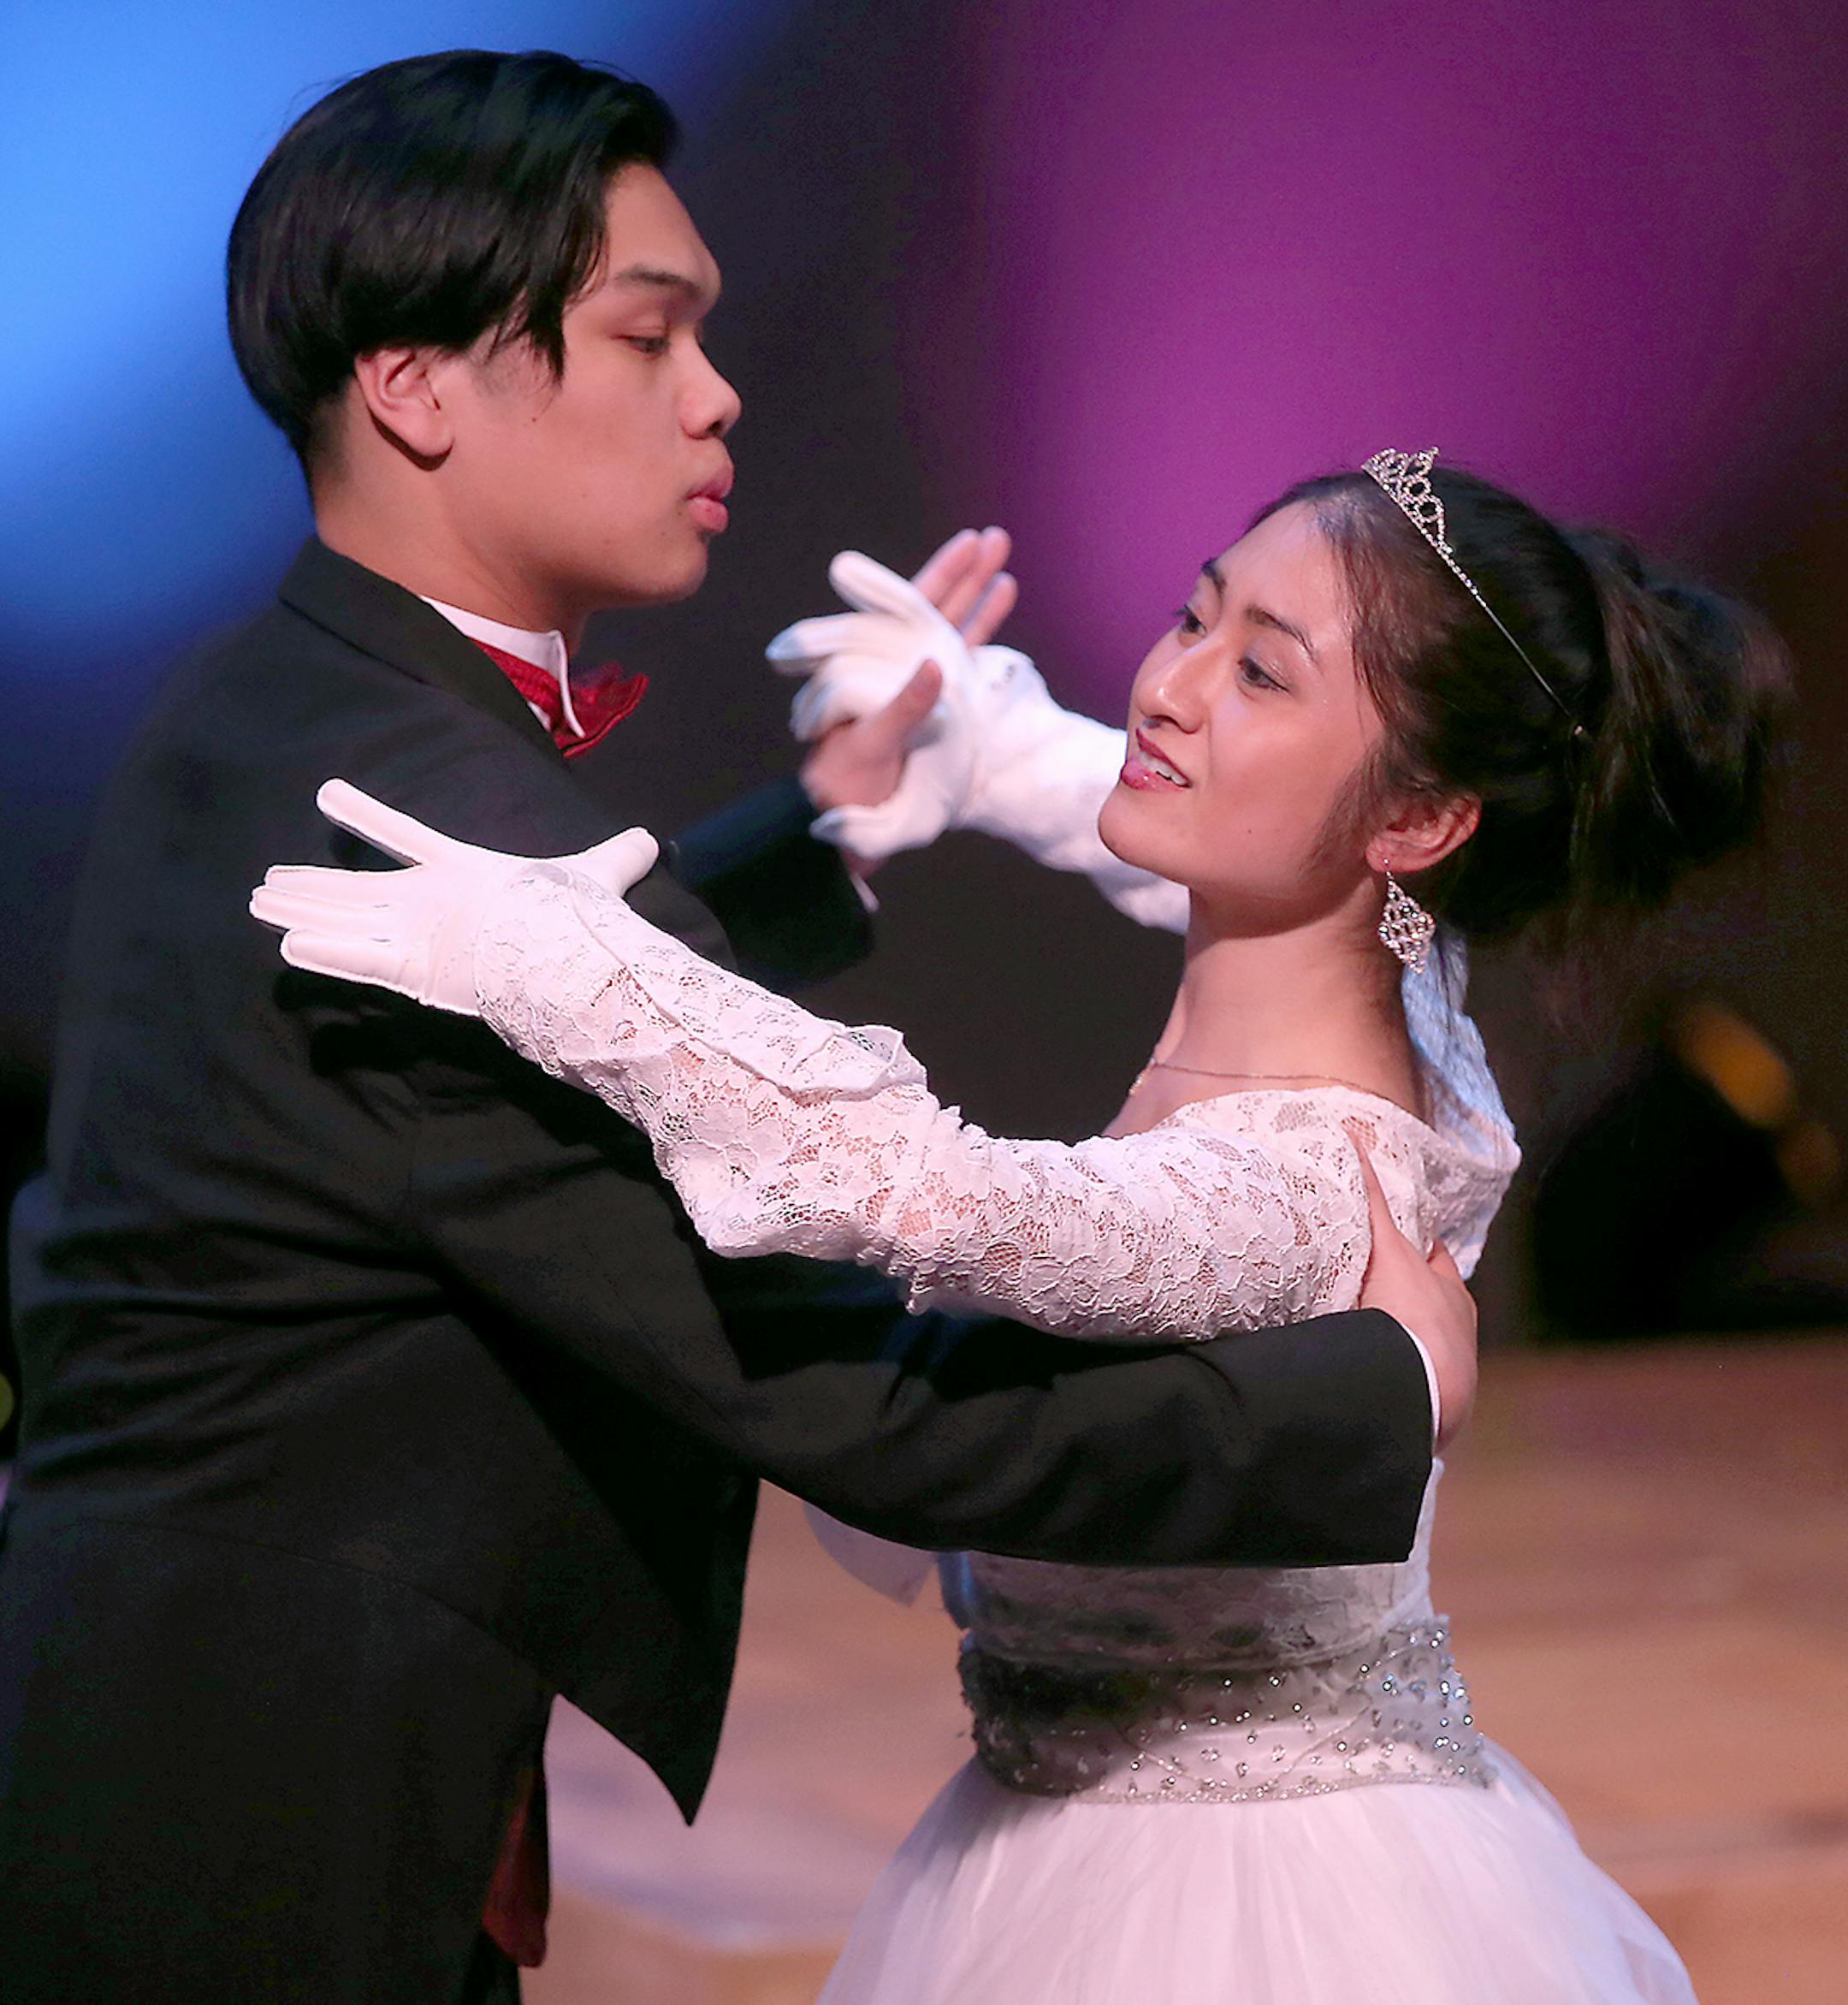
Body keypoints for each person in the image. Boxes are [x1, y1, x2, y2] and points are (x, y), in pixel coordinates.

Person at [0, 52, 1468, 2005]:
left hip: (162, 1684)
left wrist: (813, 837)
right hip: (263, 1793)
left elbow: (525, 1027)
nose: (718, 394)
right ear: (416, 386)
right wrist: (1375, 1391)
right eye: (649, 334)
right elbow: (852, 1395)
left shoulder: (292, 712)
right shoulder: (432, 823)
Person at [255, 448, 1789, 2000]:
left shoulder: (1302, 1186)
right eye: (1194, 616)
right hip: (1060, 1826)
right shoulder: (1411, 1005)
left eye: (1261, 671)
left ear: (1416, 820)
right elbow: (1186, 834)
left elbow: (937, 1193)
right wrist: (985, 739)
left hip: (1244, 1910)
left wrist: (576, 971)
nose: (1169, 689)